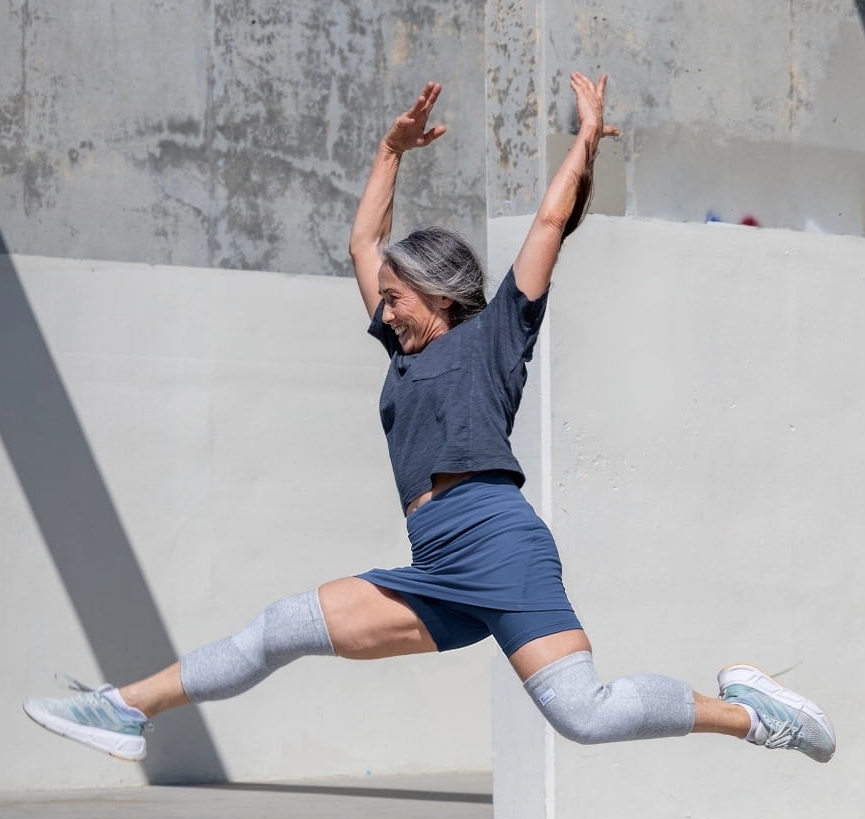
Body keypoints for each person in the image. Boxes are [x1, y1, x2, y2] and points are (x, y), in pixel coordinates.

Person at [23, 73, 835, 767]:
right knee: (278, 630)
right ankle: (126, 709)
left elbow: (548, 224)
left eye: (394, 297)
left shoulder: (496, 336)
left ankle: (752, 713)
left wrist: (586, 139)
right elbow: (363, 241)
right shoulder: (401, 353)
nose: (381, 308)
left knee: (581, 715)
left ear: (439, 294)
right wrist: (390, 151)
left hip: (494, 538)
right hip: (436, 557)